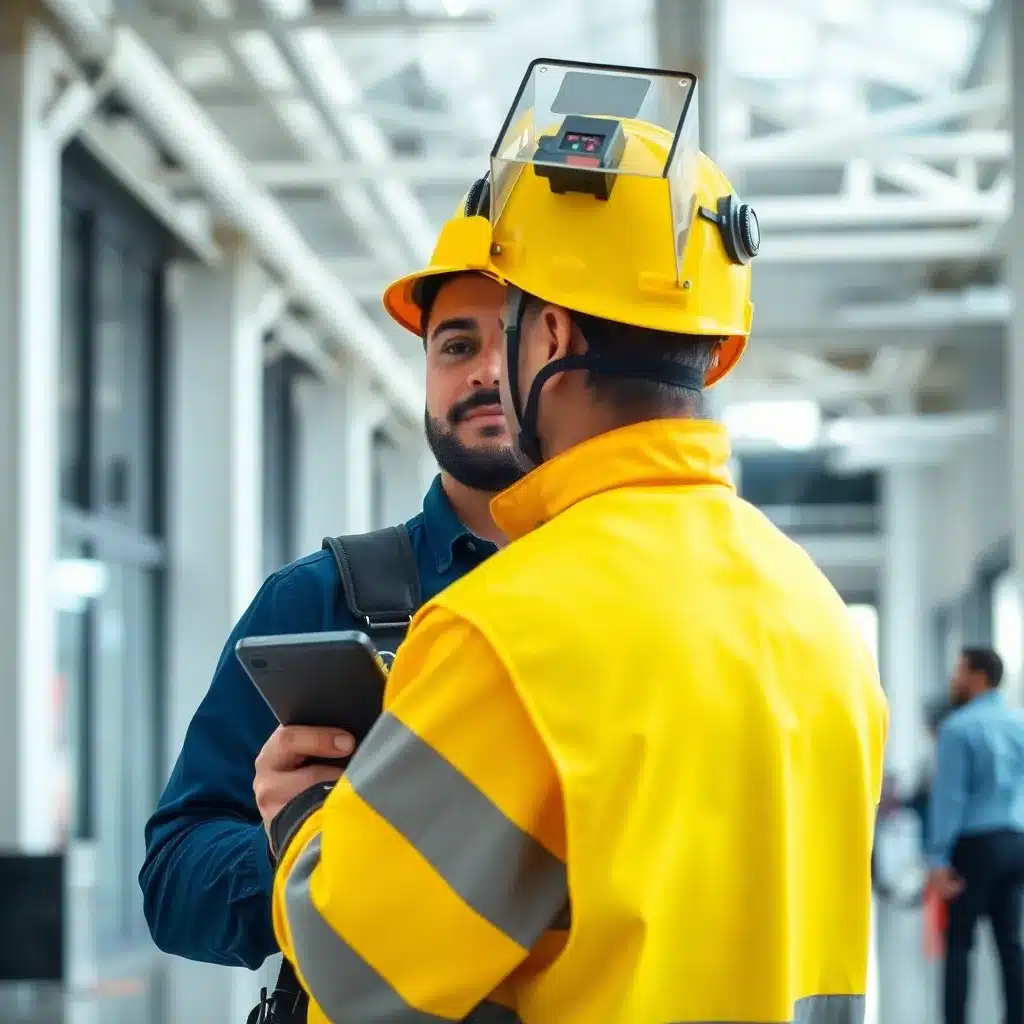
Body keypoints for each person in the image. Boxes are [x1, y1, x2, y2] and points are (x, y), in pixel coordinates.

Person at [267, 60, 889, 1024]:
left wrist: (304, 821)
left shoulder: (506, 633)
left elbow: (358, 968)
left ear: (548, 336)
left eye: (499, 323)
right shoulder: (818, 620)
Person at [138, 195, 520, 983]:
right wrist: (289, 844)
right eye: (454, 345)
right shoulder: (318, 602)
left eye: (510, 342)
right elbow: (174, 885)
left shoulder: (640, 603)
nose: (482, 370)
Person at [927, 647, 1024, 1024]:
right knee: (1011, 943)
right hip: (1015, 842)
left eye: (960, 671)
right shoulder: (1019, 724)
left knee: (959, 946)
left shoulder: (958, 727)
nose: (954, 679)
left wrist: (937, 859)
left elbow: (950, 798)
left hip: (975, 846)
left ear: (979, 676)